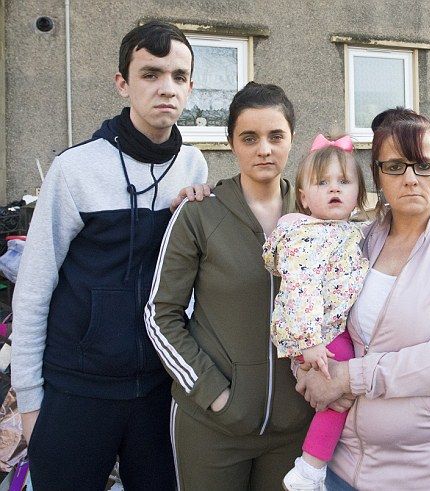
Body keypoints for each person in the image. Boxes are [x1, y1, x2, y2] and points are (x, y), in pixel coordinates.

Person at [11, 20, 210, 490]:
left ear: (190, 87)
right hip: (77, 389)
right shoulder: (75, 169)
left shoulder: (194, 165)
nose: (167, 88)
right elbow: (34, 288)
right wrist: (30, 402)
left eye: (179, 76)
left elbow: (189, 279)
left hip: (159, 390)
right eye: (150, 74)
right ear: (123, 83)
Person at [296, 108, 430, 491]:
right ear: (377, 176)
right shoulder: (355, 241)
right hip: (342, 467)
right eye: (395, 166)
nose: (410, 178)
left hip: (428, 474)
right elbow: (314, 314)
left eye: (424, 165)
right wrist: (307, 372)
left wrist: (347, 379)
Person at [144, 81, 314, 490]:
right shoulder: (200, 213)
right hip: (213, 426)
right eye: (249, 138)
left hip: (293, 427)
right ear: (231, 143)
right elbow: (160, 315)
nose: (264, 149)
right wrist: (214, 393)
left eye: (276, 136)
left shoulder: (315, 215)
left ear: (292, 139)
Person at [262, 134, 368, 490]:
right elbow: (300, 288)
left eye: (344, 181)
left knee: (340, 396)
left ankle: (314, 467)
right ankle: (309, 470)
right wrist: (309, 342)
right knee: (339, 397)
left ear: (358, 194)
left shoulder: (345, 231)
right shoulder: (307, 236)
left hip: (327, 330)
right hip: (317, 335)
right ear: (304, 198)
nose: (334, 188)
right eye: (322, 183)